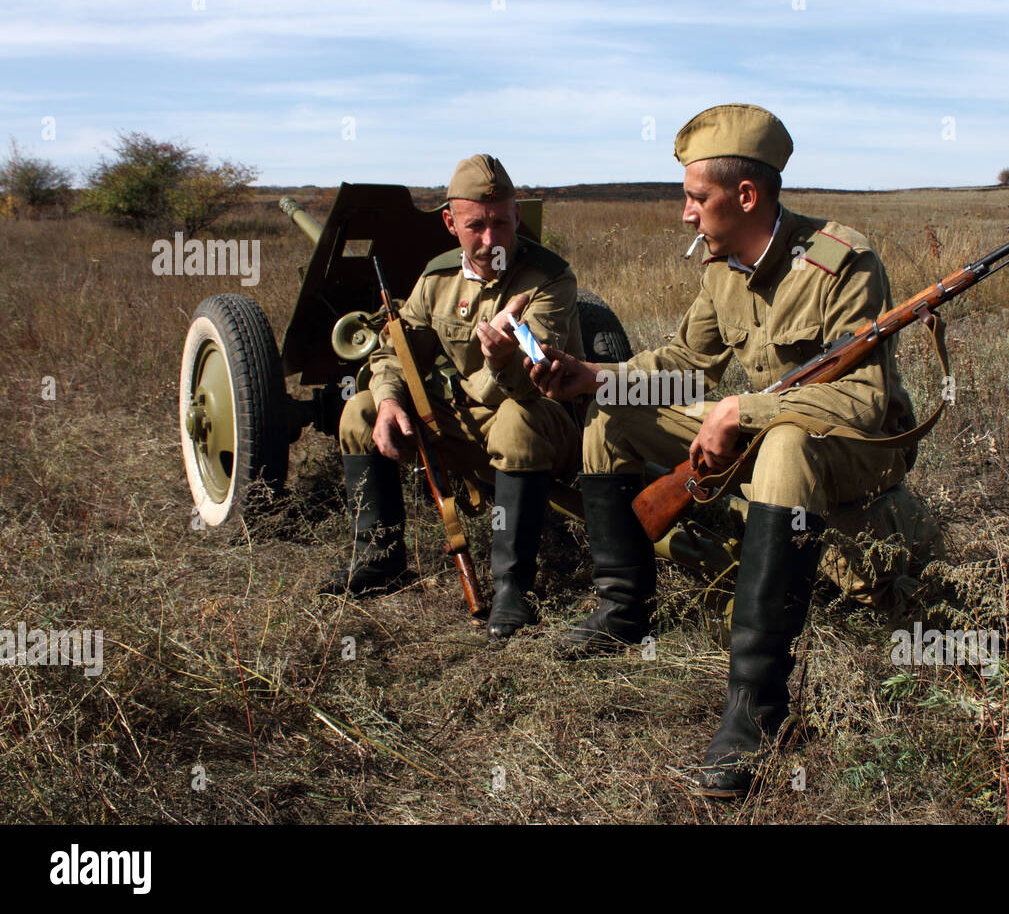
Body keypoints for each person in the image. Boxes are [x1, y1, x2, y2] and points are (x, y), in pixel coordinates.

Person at [528, 104, 937, 796]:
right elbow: (687, 363)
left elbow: (866, 402)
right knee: (614, 417)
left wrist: (744, 412)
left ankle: (756, 711)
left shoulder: (842, 261)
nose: (686, 214)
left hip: (854, 446)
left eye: (696, 198)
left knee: (782, 444)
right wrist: (592, 377)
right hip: (764, 428)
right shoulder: (722, 268)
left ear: (745, 196)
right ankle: (622, 609)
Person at [322, 154, 583, 643]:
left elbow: (538, 380)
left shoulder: (547, 280)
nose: (490, 240)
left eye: (501, 223)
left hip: (540, 421)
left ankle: (512, 589)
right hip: (460, 421)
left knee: (516, 421)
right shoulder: (436, 279)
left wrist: (503, 358)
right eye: (476, 226)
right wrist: (390, 400)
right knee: (360, 411)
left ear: (516, 218)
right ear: (450, 223)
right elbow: (396, 354)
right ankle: (378, 559)